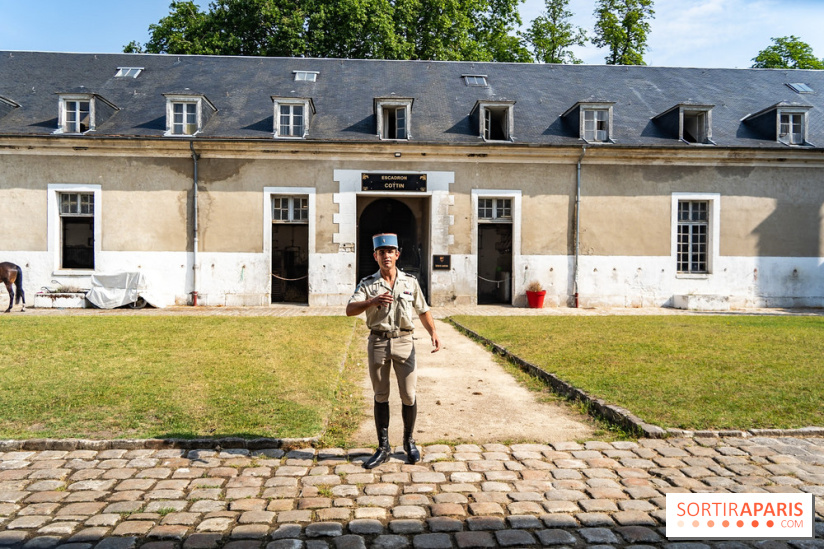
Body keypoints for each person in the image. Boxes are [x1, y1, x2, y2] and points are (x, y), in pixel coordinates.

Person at [346, 233, 441, 468]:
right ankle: (383, 447)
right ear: (375, 256)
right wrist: (371, 302)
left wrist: (434, 333)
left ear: (397, 255)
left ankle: (409, 442)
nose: (386, 256)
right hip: (378, 343)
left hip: (404, 342)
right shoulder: (368, 283)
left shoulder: (410, 281)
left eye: (390, 251)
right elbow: (349, 309)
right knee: (380, 395)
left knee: (408, 394)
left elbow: (423, 309)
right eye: (382, 252)